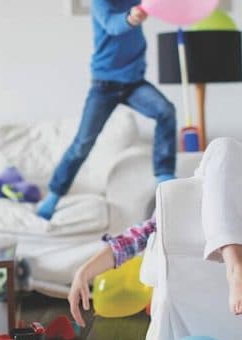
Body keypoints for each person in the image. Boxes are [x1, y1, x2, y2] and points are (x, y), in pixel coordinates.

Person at [68, 137, 242, 327]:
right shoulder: (210, 185)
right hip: (227, 180)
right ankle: (237, 267)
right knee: (224, 146)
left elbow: (135, 237)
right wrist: (84, 272)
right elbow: (135, 237)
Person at [36, 0, 177, 220]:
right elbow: (113, 25)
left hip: (134, 82)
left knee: (165, 111)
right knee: (82, 143)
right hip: (105, 85)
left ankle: (164, 177)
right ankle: (53, 196)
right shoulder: (100, 2)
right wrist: (130, 17)